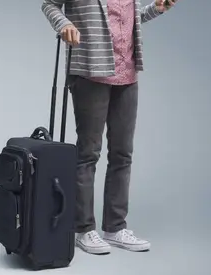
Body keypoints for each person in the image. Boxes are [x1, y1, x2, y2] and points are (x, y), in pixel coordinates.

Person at [41, 0, 177, 255]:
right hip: (91, 73)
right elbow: (49, 5)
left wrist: (156, 9)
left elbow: (126, 22)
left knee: (122, 154)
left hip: (127, 74)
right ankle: (83, 229)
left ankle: (115, 228)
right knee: (88, 154)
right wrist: (64, 23)